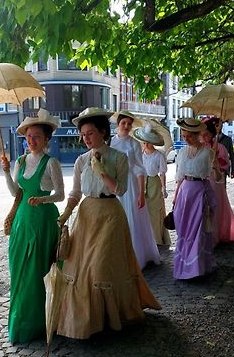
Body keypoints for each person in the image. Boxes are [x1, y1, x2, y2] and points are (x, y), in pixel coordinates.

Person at [56, 107, 161, 339]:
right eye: (82, 134)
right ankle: (88, 320)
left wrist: (103, 172)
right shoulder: (81, 160)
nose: (86, 139)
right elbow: (75, 192)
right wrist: (65, 214)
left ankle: (110, 317)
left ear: (103, 132)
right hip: (86, 215)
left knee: (101, 266)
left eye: (90, 133)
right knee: (83, 269)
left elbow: (121, 189)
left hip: (111, 215)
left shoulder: (119, 157)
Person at [1, 108, 64, 343]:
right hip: (22, 221)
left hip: (43, 221)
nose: (31, 140)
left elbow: (60, 194)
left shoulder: (51, 163)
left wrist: (43, 199)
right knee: (19, 271)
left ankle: (39, 323)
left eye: (36, 136)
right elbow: (16, 192)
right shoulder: (20, 161)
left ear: (46, 139)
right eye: (28, 136)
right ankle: (21, 322)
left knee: (38, 273)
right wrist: (7, 173)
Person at [110, 111, 161, 269]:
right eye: (123, 123)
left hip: (131, 186)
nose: (126, 126)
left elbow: (140, 169)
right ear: (118, 124)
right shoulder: (110, 143)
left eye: (129, 124)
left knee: (132, 218)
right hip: (115, 185)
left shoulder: (134, 144)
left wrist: (141, 194)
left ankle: (136, 255)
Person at [172, 118, 218, 280]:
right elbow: (179, 177)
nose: (186, 139)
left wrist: (217, 167)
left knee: (198, 230)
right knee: (183, 229)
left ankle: (197, 268)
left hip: (199, 192)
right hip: (185, 192)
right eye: (183, 136)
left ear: (197, 134)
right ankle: (184, 266)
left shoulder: (207, 152)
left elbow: (212, 176)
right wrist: (175, 196)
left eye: (189, 136)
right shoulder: (183, 152)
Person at [201, 118, 234, 245]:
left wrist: (217, 165)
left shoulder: (220, 148)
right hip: (203, 180)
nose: (204, 137)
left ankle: (216, 234)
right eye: (202, 134)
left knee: (215, 208)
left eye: (206, 134)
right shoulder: (201, 147)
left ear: (213, 134)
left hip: (215, 181)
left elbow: (225, 165)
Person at [132, 124, 172, 247]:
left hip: (154, 184)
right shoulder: (140, 155)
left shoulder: (159, 155)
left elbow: (162, 173)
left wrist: (164, 188)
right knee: (143, 211)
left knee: (155, 211)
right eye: (144, 142)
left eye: (148, 142)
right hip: (142, 183)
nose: (146, 144)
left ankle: (156, 238)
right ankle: (144, 237)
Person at [216, 119, 234, 184]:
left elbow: (232, 155)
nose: (218, 127)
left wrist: (233, 170)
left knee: (222, 188)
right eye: (216, 125)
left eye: (219, 125)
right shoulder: (210, 138)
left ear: (222, 126)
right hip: (212, 170)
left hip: (223, 169)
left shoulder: (227, 139)